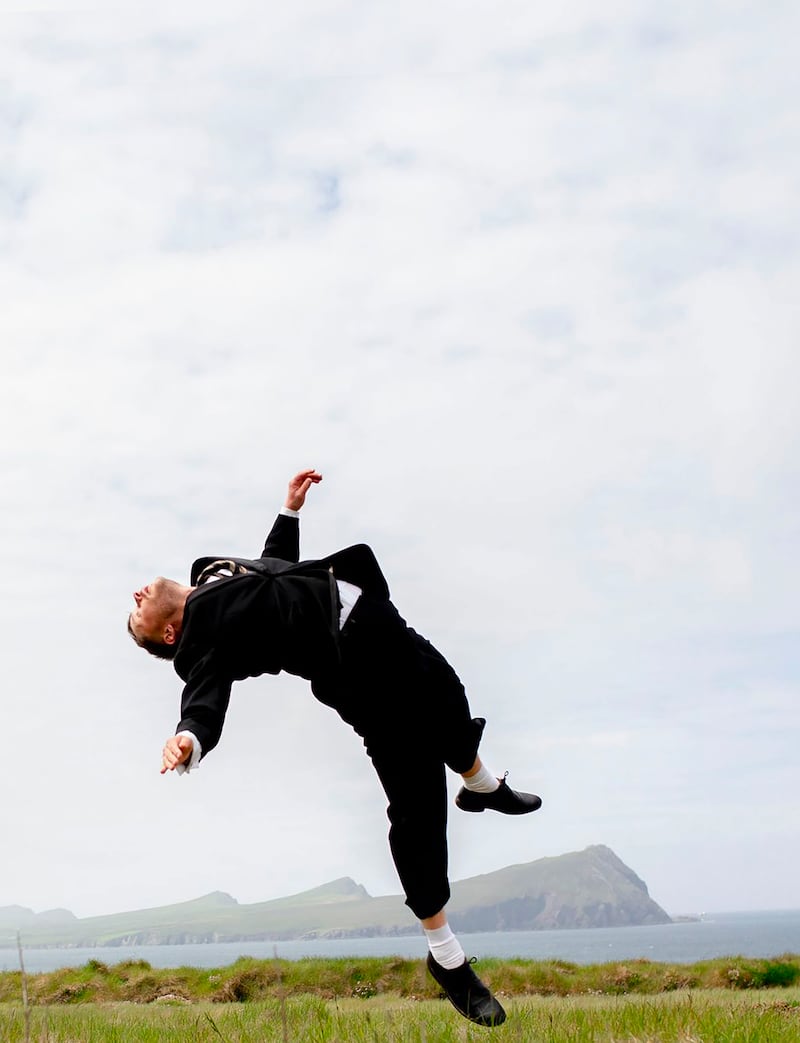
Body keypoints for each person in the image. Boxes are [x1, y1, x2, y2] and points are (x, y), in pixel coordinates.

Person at [128, 469, 541, 1028]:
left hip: (375, 619)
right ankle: (447, 957)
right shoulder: (203, 644)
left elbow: (273, 568)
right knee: (417, 803)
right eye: (137, 614)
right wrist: (190, 737)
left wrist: (290, 511)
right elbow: (205, 694)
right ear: (170, 635)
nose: (137, 594)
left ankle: (481, 785)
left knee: (448, 696)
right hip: (358, 674)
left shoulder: (210, 572)